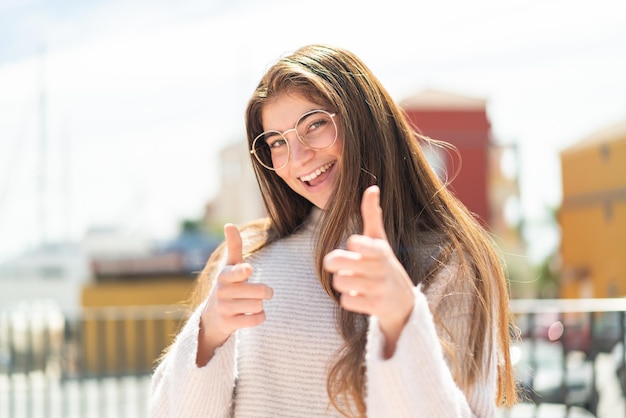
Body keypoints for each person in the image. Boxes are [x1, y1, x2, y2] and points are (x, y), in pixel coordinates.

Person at [149, 44, 517, 417]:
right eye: (277, 142)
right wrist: (208, 335)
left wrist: (401, 320)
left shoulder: (448, 260)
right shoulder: (248, 257)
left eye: (315, 124)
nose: (299, 157)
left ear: (363, 120)